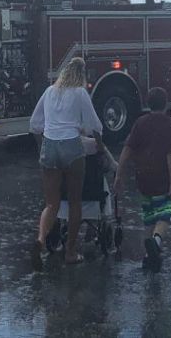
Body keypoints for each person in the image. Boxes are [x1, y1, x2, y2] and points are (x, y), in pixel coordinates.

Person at [29, 57, 104, 269]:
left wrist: (41, 148)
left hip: (50, 146)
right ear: (81, 76)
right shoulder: (80, 93)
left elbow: (35, 125)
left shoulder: (50, 91)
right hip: (72, 147)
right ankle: (70, 251)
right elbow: (94, 126)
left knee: (51, 203)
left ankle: (41, 240)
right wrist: (99, 145)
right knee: (74, 202)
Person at [114, 87, 171, 273]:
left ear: (148, 104)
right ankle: (156, 242)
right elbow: (170, 156)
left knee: (149, 218)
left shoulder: (139, 123)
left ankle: (147, 256)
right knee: (165, 214)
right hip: (161, 177)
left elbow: (127, 150)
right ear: (166, 103)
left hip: (143, 178)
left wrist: (119, 174)